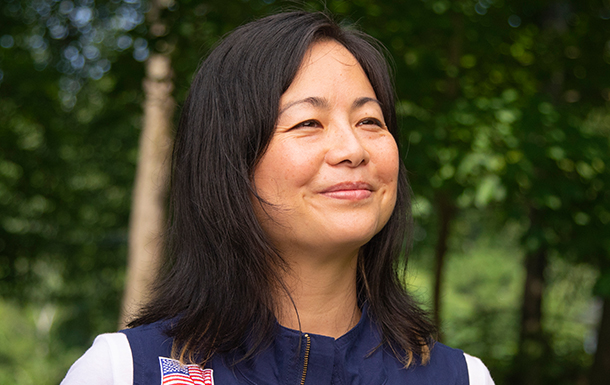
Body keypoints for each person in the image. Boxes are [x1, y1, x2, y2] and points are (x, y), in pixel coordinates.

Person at [62, 11, 494, 385]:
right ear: (229, 160)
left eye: (370, 120)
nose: (353, 149)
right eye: (308, 122)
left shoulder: (461, 378)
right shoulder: (125, 371)